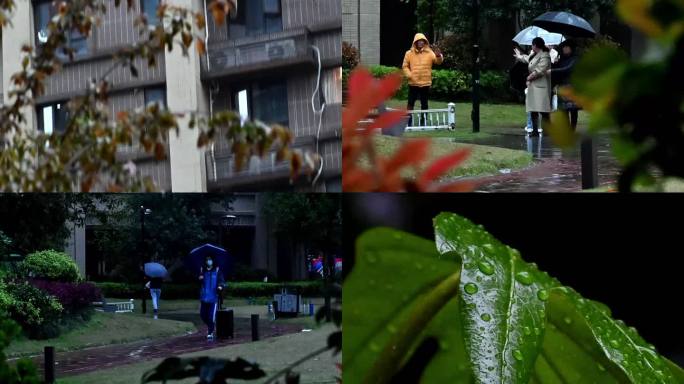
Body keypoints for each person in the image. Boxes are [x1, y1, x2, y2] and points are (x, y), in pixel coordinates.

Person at [402, 33, 443, 126]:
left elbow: (438, 62)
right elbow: (404, 66)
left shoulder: (430, 53)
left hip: (425, 83)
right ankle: (408, 122)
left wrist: (438, 55)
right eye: (418, 41)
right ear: (415, 42)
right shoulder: (409, 53)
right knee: (410, 103)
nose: (420, 43)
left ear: (425, 42)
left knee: (424, 104)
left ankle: (423, 122)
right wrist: (410, 75)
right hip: (413, 83)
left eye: (422, 41)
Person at [548, 40, 581, 131]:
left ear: (571, 48)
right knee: (563, 110)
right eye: (564, 47)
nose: (564, 49)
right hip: (562, 87)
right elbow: (557, 71)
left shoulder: (575, 59)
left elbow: (567, 69)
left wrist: (552, 71)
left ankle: (572, 129)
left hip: (572, 87)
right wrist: (554, 64)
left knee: (573, 109)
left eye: (567, 47)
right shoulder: (561, 59)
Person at [524, 37, 552, 137]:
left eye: (532, 45)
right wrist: (519, 56)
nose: (532, 47)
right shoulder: (535, 55)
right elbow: (528, 60)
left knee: (543, 110)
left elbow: (540, 69)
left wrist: (529, 77)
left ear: (535, 45)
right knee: (533, 109)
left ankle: (548, 131)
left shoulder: (545, 55)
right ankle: (535, 130)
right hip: (533, 85)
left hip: (541, 86)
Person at [198, 255, 225, 340]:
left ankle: (210, 332)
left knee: (210, 316)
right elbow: (200, 283)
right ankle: (212, 326)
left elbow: (222, 281)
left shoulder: (217, 271)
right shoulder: (203, 270)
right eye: (207, 260)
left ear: (213, 261)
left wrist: (220, 286)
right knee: (203, 315)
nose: (208, 261)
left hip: (213, 298)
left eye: (210, 259)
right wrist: (200, 278)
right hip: (204, 298)